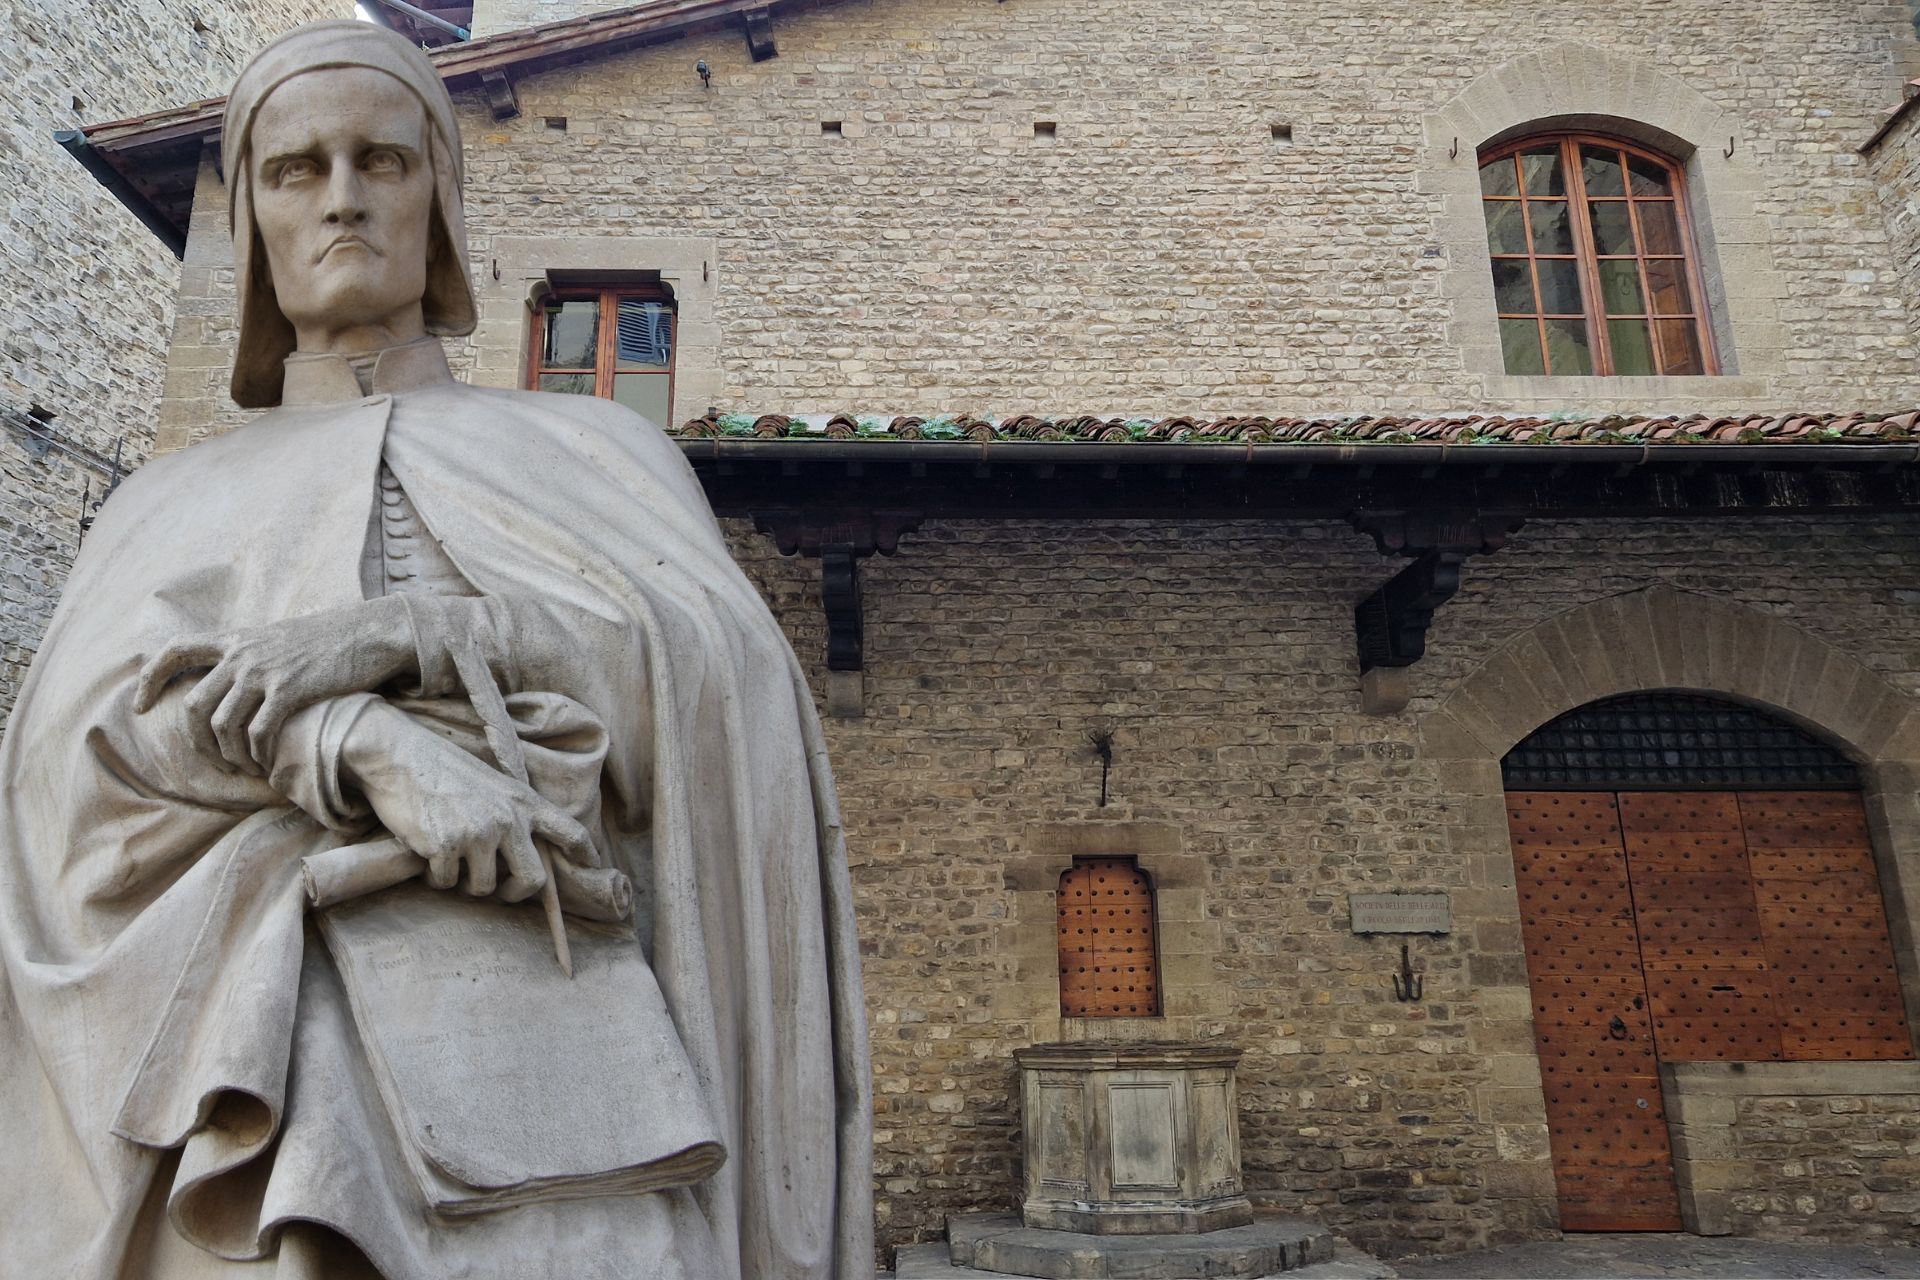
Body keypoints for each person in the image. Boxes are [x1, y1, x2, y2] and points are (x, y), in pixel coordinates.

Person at [0, 21, 871, 1279]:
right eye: (297, 171)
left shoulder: (602, 455)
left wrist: (405, 632)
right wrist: (368, 743)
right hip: (256, 1053)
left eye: (383, 162)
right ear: (250, 217)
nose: (342, 199)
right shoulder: (159, 504)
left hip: (571, 1025)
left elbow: (729, 695)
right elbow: (67, 764)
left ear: (440, 198)